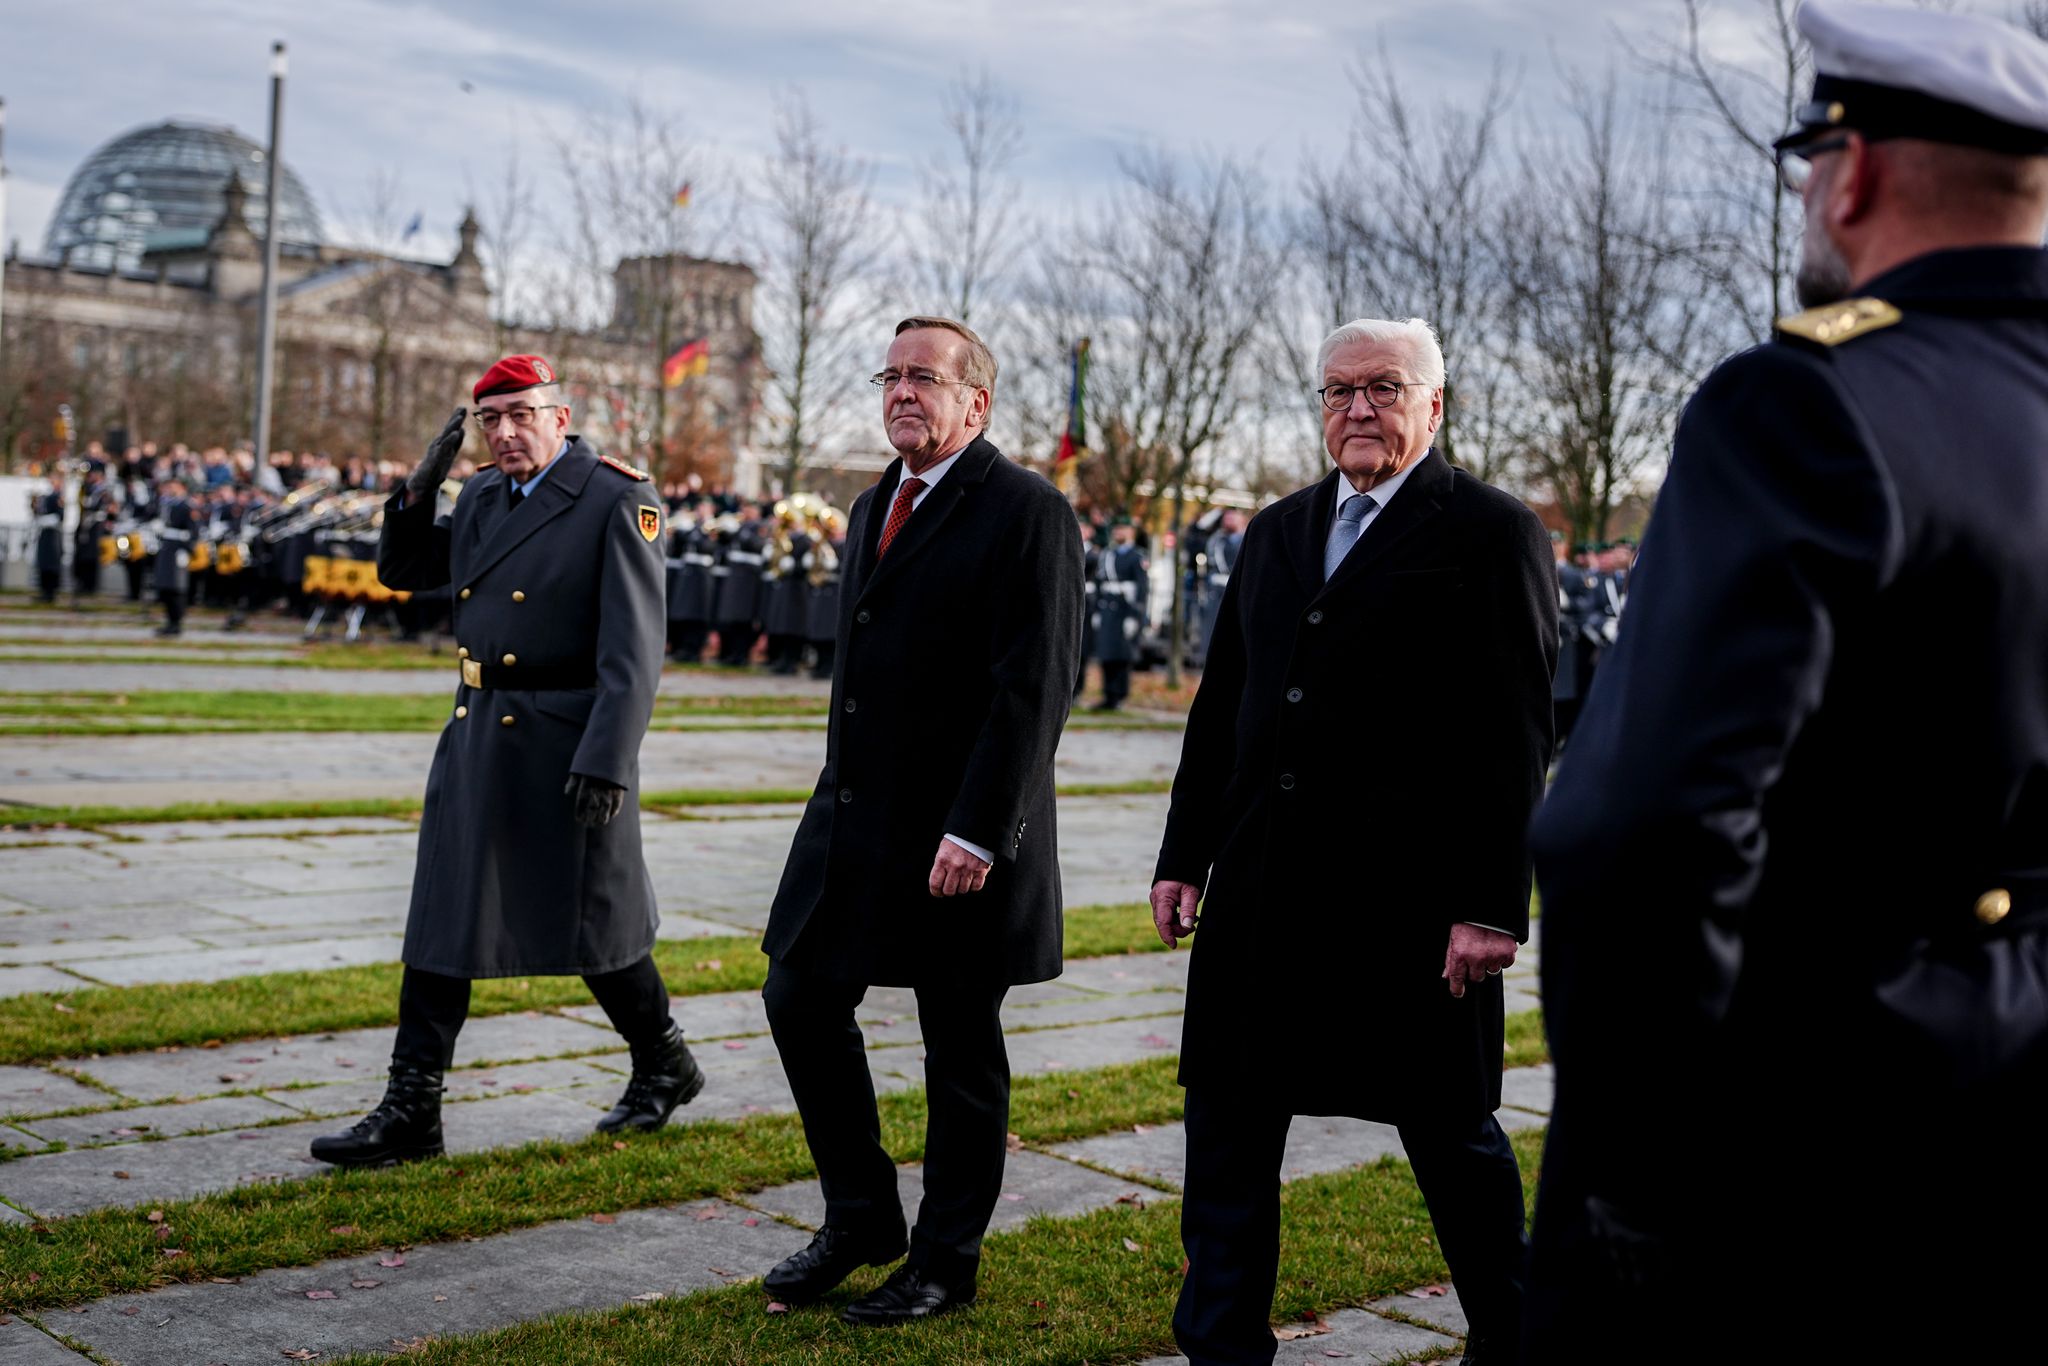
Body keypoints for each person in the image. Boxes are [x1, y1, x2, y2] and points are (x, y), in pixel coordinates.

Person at [1521, 4, 2048, 1360]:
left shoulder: (1806, 402)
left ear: (1852, 169)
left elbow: (1641, 830)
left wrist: (1639, 1179)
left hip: (1805, 1152)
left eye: (1809, 160)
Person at [1150, 316, 1556, 1366]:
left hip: (1408, 906)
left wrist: (1489, 905)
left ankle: (1513, 1334)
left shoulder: (1493, 531)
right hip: (1261, 891)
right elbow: (1223, 704)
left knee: (1451, 1134)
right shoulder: (1276, 530)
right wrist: (1184, 854)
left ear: (1434, 405)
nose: (1358, 408)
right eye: (1338, 390)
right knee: (1228, 1130)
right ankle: (1220, 1346)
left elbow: (1513, 732)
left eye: (1383, 387)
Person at [758, 317, 1083, 1325]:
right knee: (797, 996)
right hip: (855, 822)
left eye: (924, 378)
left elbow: (1034, 686)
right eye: (891, 375)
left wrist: (979, 827)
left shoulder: (1027, 510)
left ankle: (945, 1262)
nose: (902, 391)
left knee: (959, 1045)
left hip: (959, 832)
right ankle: (862, 1216)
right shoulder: (873, 503)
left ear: (974, 402)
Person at [310, 354, 703, 1168]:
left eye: (523, 414)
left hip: (568, 740)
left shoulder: (616, 498)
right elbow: (406, 572)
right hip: (481, 728)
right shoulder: (484, 494)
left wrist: (608, 760)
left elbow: (635, 650)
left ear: (561, 417)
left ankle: (663, 1058)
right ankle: (412, 1106)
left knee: (597, 923)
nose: (506, 432)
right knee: (443, 914)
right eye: (491, 420)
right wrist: (416, 496)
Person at [1090, 515, 1148, 710]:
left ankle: (1119, 695)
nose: (1118, 532)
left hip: (1125, 608)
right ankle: (1108, 694)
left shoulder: (1137, 556)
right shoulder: (1108, 554)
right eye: (1116, 529)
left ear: (1131, 532)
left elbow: (1141, 588)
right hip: (1108, 607)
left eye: (1122, 529)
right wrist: (1097, 610)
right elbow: (1100, 583)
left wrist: (1134, 615)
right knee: (1106, 653)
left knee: (1122, 654)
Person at [151, 478, 196, 636]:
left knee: (176, 588)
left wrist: (186, 550)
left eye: (174, 486)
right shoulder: (168, 504)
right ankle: (170, 621)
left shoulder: (186, 506)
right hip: (167, 549)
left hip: (178, 549)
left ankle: (176, 623)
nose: (170, 489)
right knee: (165, 587)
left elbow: (193, 531)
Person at [72, 466, 116, 606]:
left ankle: (91, 585)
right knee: (82, 554)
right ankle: (82, 582)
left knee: (93, 556)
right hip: (87, 524)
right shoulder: (88, 489)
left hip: (97, 526)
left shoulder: (104, 491)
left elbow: (109, 509)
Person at [32, 473, 65, 603]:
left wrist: (43, 521)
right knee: (43, 564)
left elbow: (59, 517)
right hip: (44, 535)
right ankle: (43, 591)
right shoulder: (45, 497)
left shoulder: (57, 497)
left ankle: (50, 593)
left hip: (52, 535)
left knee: (51, 564)